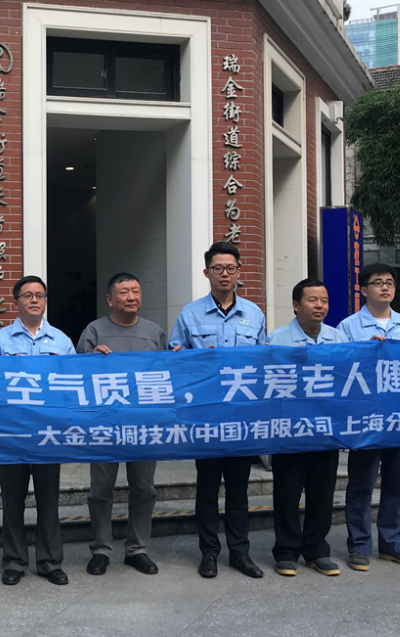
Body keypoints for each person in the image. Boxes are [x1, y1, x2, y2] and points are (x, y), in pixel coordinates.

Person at [169, 242, 265, 579]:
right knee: (207, 489)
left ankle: (240, 553)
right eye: (217, 268)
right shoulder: (190, 314)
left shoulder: (254, 314)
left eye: (230, 268)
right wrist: (186, 357)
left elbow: (264, 364)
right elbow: (175, 360)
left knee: (239, 491)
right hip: (206, 417)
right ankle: (209, 552)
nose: (224, 274)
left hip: (241, 417)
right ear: (206, 272)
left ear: (239, 272)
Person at [0, 275, 75, 587]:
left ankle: (50, 562)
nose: (34, 300)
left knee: (49, 501)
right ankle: (14, 562)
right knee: (12, 502)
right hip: (11, 432)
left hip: (49, 433)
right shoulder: (0, 341)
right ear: (16, 302)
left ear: (45, 301)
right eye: (28, 295)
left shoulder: (61, 341)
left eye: (40, 295)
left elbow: (74, 383)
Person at [337, 264, 400, 572]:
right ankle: (359, 545)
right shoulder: (348, 327)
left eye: (389, 282)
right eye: (377, 283)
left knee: (396, 484)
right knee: (361, 484)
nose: (385, 287)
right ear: (364, 290)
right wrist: (365, 352)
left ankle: (393, 544)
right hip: (365, 418)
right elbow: (340, 370)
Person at [78, 273, 167, 576]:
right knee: (100, 490)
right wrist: (91, 359)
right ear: (109, 299)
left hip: (144, 424)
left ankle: (137, 549)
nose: (131, 297)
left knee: (144, 489)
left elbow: (167, 375)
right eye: (124, 292)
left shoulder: (154, 332)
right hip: (105, 424)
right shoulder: (94, 331)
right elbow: (75, 377)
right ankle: (101, 549)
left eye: (136, 291)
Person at [266, 278, 348, 577]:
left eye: (324, 300)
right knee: (287, 493)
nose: (319, 306)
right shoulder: (276, 340)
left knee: (322, 493)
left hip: (325, 430)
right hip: (289, 431)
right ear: (296, 305)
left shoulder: (338, 339)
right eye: (312, 300)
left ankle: (316, 550)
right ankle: (286, 551)